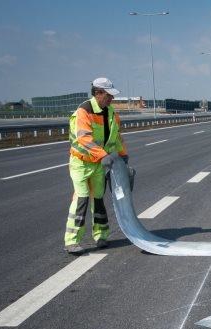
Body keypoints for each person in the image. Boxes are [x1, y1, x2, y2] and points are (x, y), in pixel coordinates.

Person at [64, 77, 128, 255]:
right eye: (108, 96)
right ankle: (71, 241)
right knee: (82, 198)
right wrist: (103, 155)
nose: (111, 99)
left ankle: (101, 236)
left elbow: (116, 137)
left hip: (99, 164)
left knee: (98, 200)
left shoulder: (111, 112)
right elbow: (84, 138)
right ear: (98, 93)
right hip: (81, 163)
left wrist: (123, 154)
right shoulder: (83, 112)